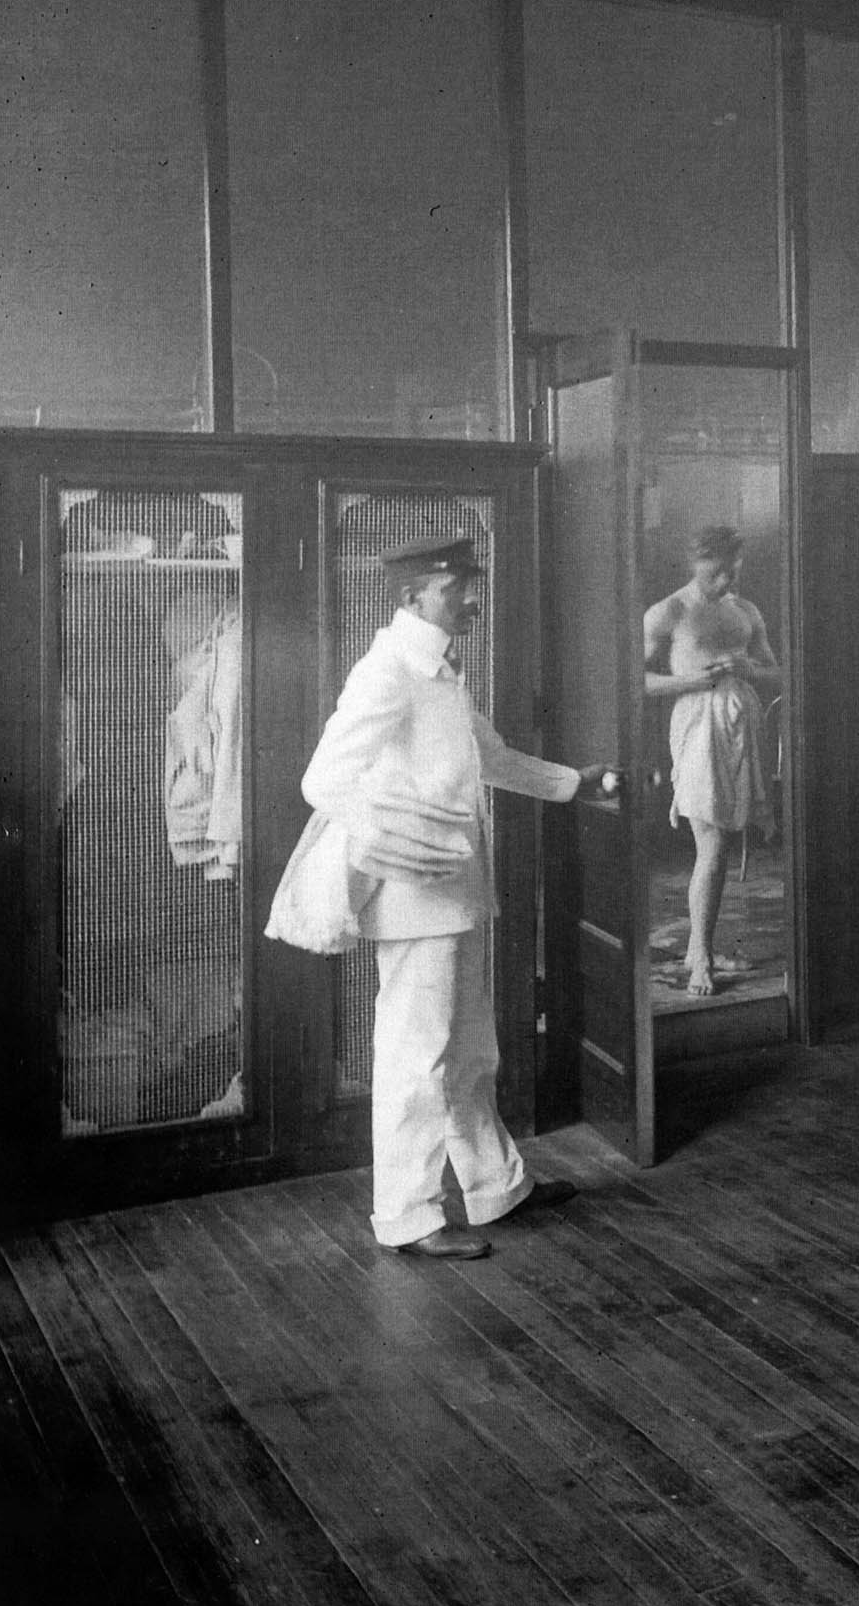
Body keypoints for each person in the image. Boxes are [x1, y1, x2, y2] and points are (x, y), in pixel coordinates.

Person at [297, 534, 612, 1261]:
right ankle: (406, 1215)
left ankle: (495, 1187)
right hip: (414, 897)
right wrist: (405, 834)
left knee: (469, 1048)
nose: (472, 598)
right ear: (411, 597)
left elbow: (491, 759)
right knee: (418, 1056)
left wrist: (575, 782)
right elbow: (323, 781)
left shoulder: (438, 669)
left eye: (473, 584)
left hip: (457, 892)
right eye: (456, 587)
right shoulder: (388, 673)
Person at [643, 525, 781, 997]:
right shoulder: (669, 611)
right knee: (713, 842)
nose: (725, 581)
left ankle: (697, 946)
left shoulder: (745, 611)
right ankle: (699, 954)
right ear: (694, 562)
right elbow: (634, 680)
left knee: (722, 843)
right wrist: (689, 682)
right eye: (716, 572)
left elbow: (781, 672)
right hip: (697, 724)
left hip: (742, 722)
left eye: (732, 572)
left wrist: (750, 669)